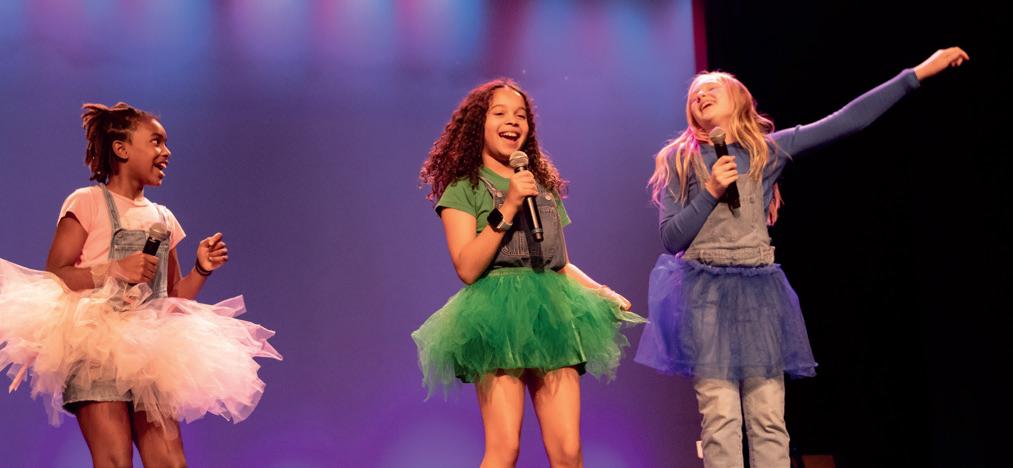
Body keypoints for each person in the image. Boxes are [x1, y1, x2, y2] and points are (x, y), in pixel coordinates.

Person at [634, 48, 969, 468]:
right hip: (705, 295)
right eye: (694, 94)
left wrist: (915, 74)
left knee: (768, 418)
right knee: (720, 418)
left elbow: (847, 120)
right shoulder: (678, 159)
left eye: (712, 88)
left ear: (738, 100)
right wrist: (712, 191)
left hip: (757, 291)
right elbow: (671, 238)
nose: (700, 94)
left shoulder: (765, 151)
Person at [0, 102, 282, 467]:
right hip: (97, 345)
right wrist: (113, 269)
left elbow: (172, 297)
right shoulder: (87, 202)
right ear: (122, 149)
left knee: (170, 460)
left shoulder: (163, 218)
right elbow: (56, 272)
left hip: (150, 352)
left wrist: (201, 269)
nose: (166, 152)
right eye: (156, 142)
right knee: (115, 459)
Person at [412, 79, 645, 468]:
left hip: (553, 316)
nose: (512, 121)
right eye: (500, 113)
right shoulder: (464, 188)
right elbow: (467, 267)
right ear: (479, 124)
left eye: (520, 115)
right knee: (505, 449)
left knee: (568, 451)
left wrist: (601, 291)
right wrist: (508, 206)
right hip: (497, 318)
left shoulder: (542, 187)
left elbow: (559, 263)